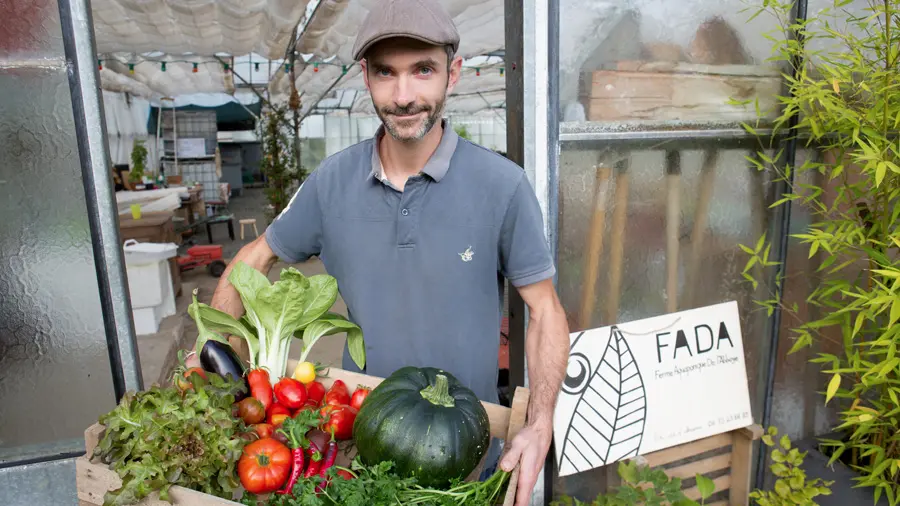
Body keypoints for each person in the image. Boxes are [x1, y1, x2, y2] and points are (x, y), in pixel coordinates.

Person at [193, 0, 569, 503]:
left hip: (465, 453)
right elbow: (252, 261)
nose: (404, 95)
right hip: (356, 450)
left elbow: (545, 311)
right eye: (387, 73)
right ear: (365, 77)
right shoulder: (331, 183)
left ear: (452, 74)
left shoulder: (502, 185)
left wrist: (542, 419)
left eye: (423, 70)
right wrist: (224, 375)